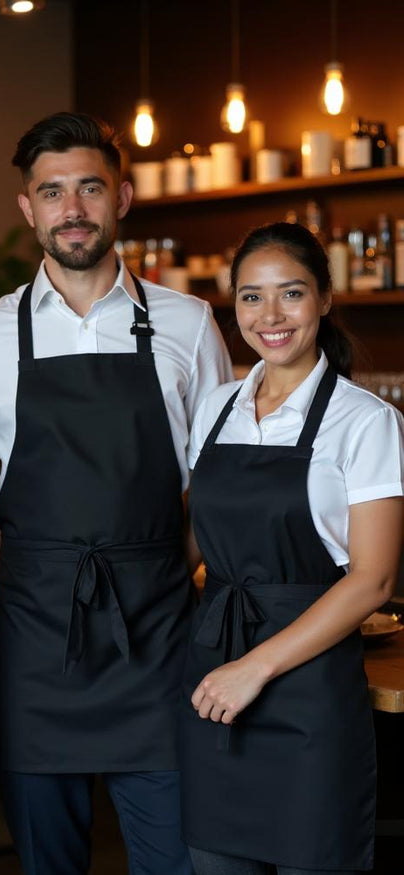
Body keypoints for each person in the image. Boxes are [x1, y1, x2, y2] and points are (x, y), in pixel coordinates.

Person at [0, 112, 233, 875]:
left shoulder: (188, 323)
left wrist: (160, 566)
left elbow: (215, 472)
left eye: (89, 187)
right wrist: (28, 567)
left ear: (124, 196)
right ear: (28, 207)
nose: (72, 208)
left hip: (158, 634)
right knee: (48, 863)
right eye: (52, 191)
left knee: (179, 858)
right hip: (35, 636)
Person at [179, 221, 404, 875]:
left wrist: (255, 668)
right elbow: (194, 540)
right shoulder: (217, 407)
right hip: (212, 678)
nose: (269, 315)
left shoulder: (366, 421)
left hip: (307, 694)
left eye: (291, 293)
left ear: (325, 298)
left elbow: (372, 581)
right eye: (251, 296)